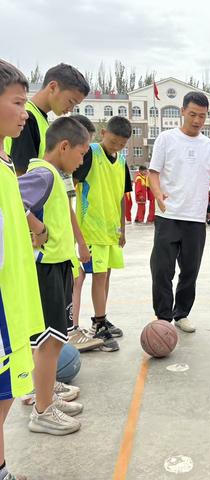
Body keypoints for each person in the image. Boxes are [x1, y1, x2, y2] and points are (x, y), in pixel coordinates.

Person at [18, 116, 90, 435]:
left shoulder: (55, 175)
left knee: (55, 340)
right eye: (81, 152)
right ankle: (43, 411)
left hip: (58, 265)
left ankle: (46, 396)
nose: (82, 159)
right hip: (45, 268)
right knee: (49, 342)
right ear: (64, 146)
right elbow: (14, 201)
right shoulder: (42, 173)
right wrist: (39, 228)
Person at [0, 58, 46, 480]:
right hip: (1, 302)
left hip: (12, 298)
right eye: (17, 102)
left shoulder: (6, 156)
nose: (24, 111)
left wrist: (30, 227)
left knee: (4, 394)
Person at [149, 91, 210, 333]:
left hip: (195, 219)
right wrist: (157, 194)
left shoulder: (209, 146)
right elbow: (153, 172)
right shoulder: (166, 139)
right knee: (162, 269)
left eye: (202, 116)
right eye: (192, 114)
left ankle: (181, 313)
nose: (197, 120)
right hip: (168, 215)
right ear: (182, 111)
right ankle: (163, 316)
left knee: (190, 271)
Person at [73, 116, 133, 351]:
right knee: (94, 277)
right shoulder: (90, 153)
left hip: (110, 231)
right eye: (113, 141)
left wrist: (123, 228)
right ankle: (97, 324)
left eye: (121, 143)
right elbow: (73, 183)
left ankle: (101, 317)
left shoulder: (121, 162)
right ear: (103, 132)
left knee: (105, 276)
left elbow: (121, 198)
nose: (116, 146)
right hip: (90, 230)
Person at [67, 115, 103, 352]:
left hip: (69, 236)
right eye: (82, 152)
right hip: (53, 240)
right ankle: (70, 331)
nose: (83, 159)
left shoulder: (65, 175)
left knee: (76, 279)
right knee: (75, 281)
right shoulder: (52, 172)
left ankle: (72, 329)